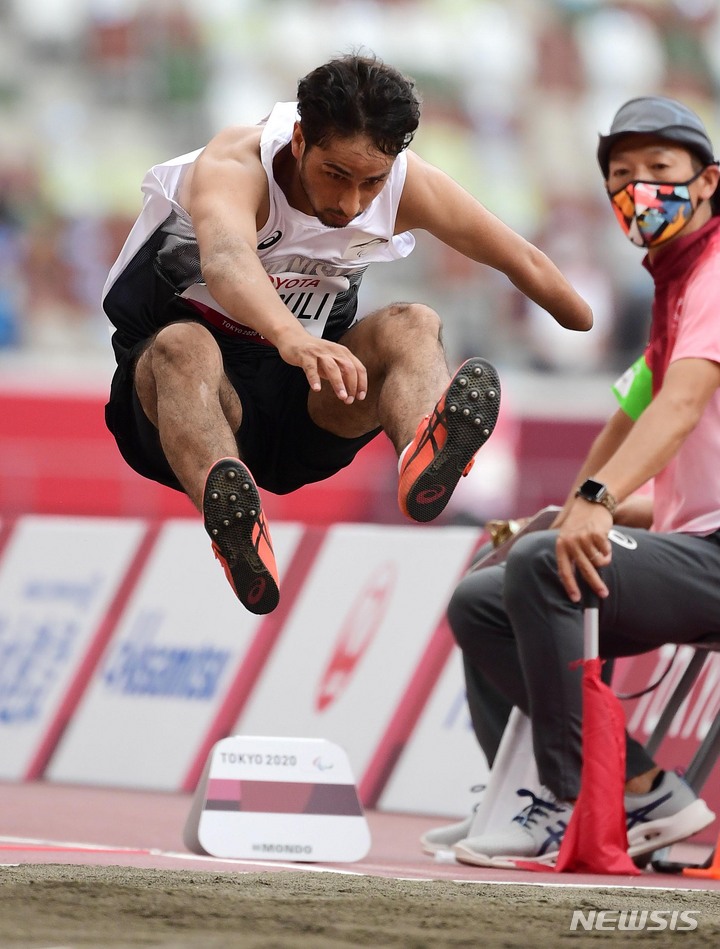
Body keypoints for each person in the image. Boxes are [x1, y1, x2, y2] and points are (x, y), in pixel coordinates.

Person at [102, 52, 592, 615]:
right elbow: (229, 260)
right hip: (184, 408)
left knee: (415, 323)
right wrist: (292, 335)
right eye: (335, 175)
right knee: (184, 347)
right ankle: (233, 515)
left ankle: (422, 449)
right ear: (300, 139)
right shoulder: (236, 164)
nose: (349, 203)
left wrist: (581, 317)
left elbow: (521, 258)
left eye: (371, 183)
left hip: (305, 406)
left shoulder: (407, 185)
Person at [426, 95, 720, 867]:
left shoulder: (719, 269)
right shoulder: (675, 285)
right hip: (697, 547)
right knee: (485, 593)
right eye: (622, 174)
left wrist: (593, 503)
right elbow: (626, 426)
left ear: (709, 182)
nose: (639, 187)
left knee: (540, 570)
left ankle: (568, 799)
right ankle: (633, 790)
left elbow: (682, 405)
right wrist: (573, 506)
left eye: (661, 169)